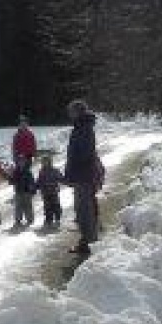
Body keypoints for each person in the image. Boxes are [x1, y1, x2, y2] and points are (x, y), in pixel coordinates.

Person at [63, 99, 100, 252]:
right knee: (82, 208)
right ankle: (88, 239)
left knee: (84, 209)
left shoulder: (84, 128)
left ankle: (89, 243)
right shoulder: (81, 126)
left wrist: (73, 170)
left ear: (78, 112)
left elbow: (83, 154)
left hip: (84, 176)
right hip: (82, 175)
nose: (69, 114)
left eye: (71, 111)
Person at [37, 154, 65, 228]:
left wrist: (64, 181)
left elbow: (61, 178)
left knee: (56, 205)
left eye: (46, 161)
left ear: (50, 162)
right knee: (47, 207)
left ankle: (57, 218)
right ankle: (48, 219)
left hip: (53, 191)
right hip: (45, 192)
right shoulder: (41, 171)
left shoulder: (54, 170)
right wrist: (36, 186)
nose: (44, 163)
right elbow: (39, 181)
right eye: (43, 162)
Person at [11, 159, 37, 227]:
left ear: (24, 163)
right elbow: (12, 181)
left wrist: (33, 190)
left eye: (22, 162)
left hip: (27, 191)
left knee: (28, 206)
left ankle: (30, 219)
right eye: (19, 162)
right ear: (18, 163)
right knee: (18, 206)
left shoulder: (28, 171)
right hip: (18, 191)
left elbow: (32, 181)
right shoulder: (15, 172)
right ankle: (18, 220)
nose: (21, 163)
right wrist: (11, 178)